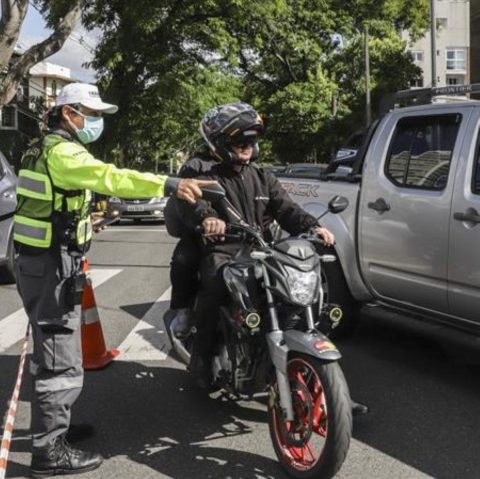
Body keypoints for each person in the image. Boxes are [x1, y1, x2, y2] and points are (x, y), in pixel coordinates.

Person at [13, 82, 215, 478]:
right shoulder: (64, 151)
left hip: (45, 259)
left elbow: (50, 203)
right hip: (50, 265)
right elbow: (109, 176)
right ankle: (49, 452)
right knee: (59, 359)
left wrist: (84, 224)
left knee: (52, 351)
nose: (96, 122)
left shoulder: (40, 147)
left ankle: (55, 429)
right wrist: (168, 184)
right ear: (69, 113)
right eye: (91, 115)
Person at [180, 102, 369, 416]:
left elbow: (286, 208)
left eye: (252, 141)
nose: (248, 147)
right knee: (214, 283)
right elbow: (192, 203)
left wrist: (313, 226)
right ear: (221, 143)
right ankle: (201, 358)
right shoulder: (199, 169)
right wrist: (208, 219)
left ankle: (331, 394)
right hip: (223, 248)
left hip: (261, 248)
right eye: (241, 141)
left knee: (298, 291)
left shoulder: (261, 175)